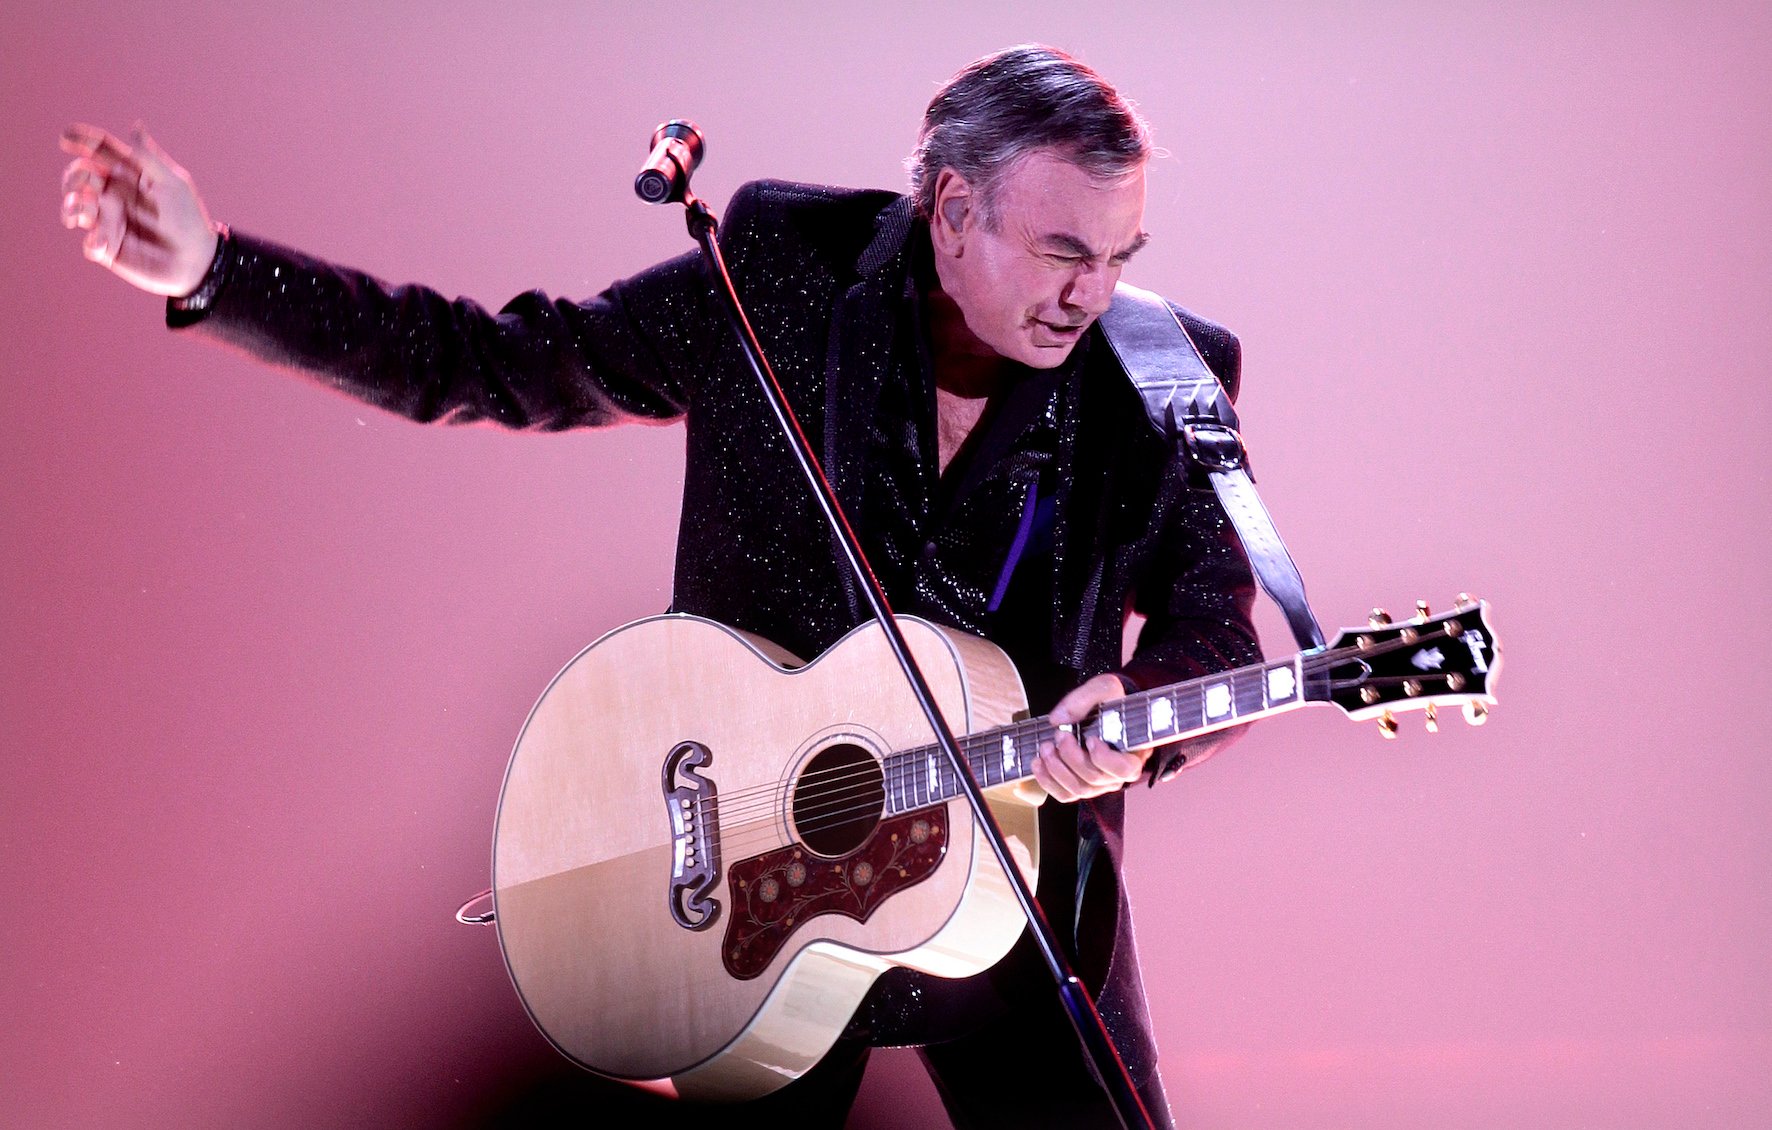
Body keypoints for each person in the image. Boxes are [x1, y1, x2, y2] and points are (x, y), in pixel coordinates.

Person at [60, 45, 1259, 1129]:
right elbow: (498, 362)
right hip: (744, 883)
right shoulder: (780, 270)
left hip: (1014, 883)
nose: (1089, 293)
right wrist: (217, 271)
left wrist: (1136, 712)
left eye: (1117, 256)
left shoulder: (1160, 374)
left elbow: (1217, 622)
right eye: (1060, 251)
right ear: (952, 209)